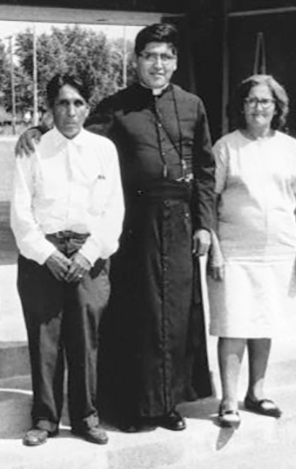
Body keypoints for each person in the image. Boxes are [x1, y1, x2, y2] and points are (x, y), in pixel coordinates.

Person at [15, 23, 215, 432]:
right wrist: (35, 129)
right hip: (136, 227)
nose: (158, 64)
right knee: (138, 315)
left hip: (179, 224)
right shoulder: (115, 106)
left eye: (165, 56)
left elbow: (207, 169)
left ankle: (168, 405)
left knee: (175, 316)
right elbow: (73, 127)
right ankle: (133, 406)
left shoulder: (193, 106)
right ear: (136, 60)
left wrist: (205, 225)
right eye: (149, 56)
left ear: (175, 62)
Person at [10, 74, 124, 447]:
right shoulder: (33, 148)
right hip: (42, 255)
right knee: (45, 340)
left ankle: (85, 417)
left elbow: (113, 211)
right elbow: (21, 213)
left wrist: (89, 254)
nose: (70, 110)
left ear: (88, 107)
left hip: (89, 256)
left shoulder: (104, 149)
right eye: (62, 102)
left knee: (85, 340)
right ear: (50, 107)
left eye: (77, 103)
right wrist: (47, 254)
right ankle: (44, 419)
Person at [207, 75, 296, 428]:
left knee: (265, 320)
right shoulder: (226, 147)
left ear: (276, 107)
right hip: (235, 251)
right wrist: (216, 251)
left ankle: (257, 391)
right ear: (242, 106)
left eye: (265, 101)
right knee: (234, 323)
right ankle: (228, 400)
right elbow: (208, 201)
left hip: (279, 251)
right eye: (251, 100)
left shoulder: (289, 147)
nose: (258, 107)